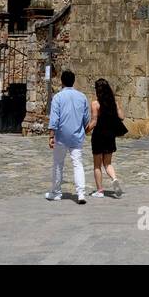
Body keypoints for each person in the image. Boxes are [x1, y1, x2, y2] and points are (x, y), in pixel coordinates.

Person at [46, 70, 91, 204]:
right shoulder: (82, 97)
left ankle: (57, 192)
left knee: (58, 164)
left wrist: (51, 136)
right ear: (74, 81)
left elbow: (54, 118)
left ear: (62, 81)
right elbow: (86, 118)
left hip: (61, 136)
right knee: (78, 164)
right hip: (76, 136)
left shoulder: (58, 97)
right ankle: (81, 193)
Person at [90, 78, 125, 198]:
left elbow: (94, 122)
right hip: (110, 135)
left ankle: (100, 190)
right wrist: (118, 106)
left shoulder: (95, 104)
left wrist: (85, 130)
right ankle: (114, 179)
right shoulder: (114, 103)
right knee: (108, 163)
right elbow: (122, 117)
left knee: (97, 165)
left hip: (99, 135)